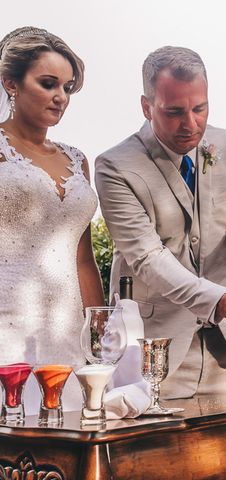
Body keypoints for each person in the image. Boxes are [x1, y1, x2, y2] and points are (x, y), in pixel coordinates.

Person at [95, 46, 226, 399]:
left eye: (200, 108)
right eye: (174, 112)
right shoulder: (114, 166)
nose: (191, 124)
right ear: (146, 106)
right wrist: (222, 302)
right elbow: (148, 259)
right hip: (154, 350)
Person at [0, 26, 104, 414]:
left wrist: (97, 331)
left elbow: (83, 258)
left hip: (66, 333)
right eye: (48, 83)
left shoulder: (77, 159)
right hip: (7, 324)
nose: (60, 97)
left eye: (68, 88)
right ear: (11, 82)